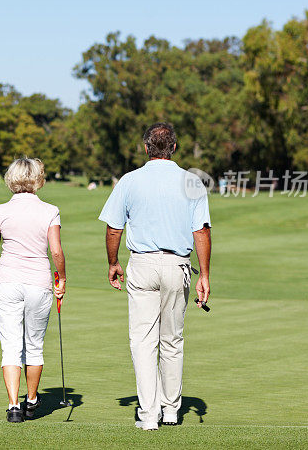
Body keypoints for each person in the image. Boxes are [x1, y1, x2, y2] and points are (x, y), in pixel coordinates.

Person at [98, 122, 211, 431]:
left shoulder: (129, 181)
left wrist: (112, 262)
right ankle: (172, 410)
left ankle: (150, 415)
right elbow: (201, 230)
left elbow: (113, 228)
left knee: (143, 342)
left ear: (146, 147)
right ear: (173, 147)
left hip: (142, 266)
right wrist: (206, 275)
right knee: (172, 341)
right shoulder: (192, 182)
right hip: (179, 266)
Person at [0, 158, 66, 423]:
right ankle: (31, 401)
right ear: (38, 179)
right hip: (38, 282)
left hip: (7, 280)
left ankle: (13, 406)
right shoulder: (50, 210)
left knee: (10, 347)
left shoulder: (0, 210)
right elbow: (55, 250)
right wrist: (62, 279)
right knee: (34, 346)